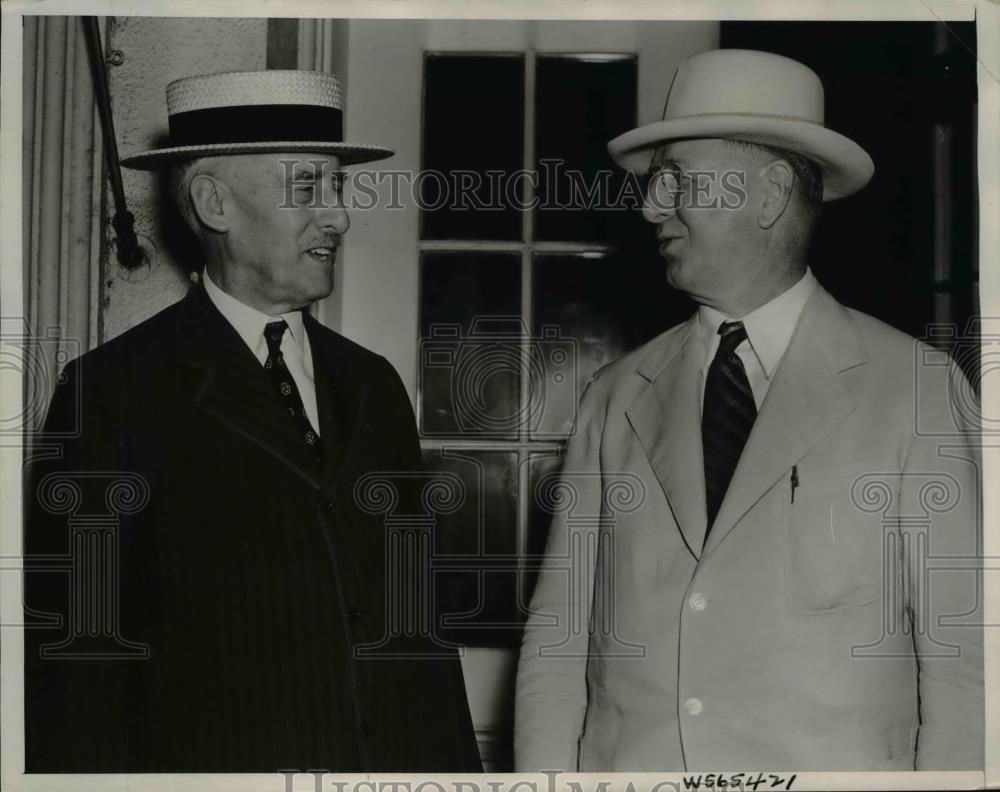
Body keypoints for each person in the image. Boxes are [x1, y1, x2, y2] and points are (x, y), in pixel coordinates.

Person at [515, 49, 982, 771]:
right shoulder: (615, 395)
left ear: (765, 196)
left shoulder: (915, 388)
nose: (648, 206)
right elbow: (557, 646)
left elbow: (966, 668)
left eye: (675, 179)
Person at [24, 69, 481, 773]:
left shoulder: (373, 385)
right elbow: (77, 665)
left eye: (338, 188)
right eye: (308, 188)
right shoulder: (112, 391)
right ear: (214, 202)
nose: (339, 217)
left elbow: (421, 636)